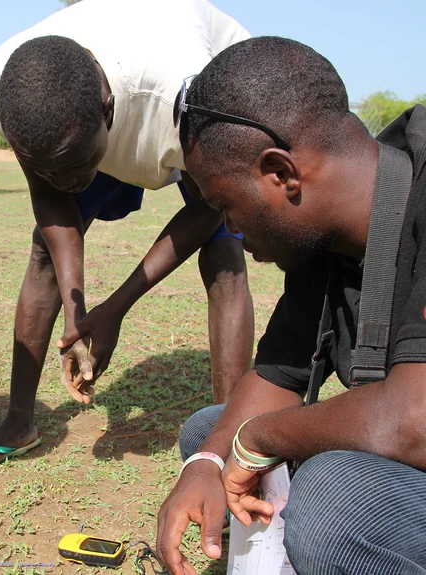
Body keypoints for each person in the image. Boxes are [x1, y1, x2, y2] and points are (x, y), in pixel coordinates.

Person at [0, 0, 255, 474]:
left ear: (107, 110)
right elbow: (52, 198)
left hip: (202, 120)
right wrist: (79, 315)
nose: (64, 182)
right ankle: (18, 423)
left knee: (225, 256)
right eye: (50, 169)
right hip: (108, 128)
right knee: (43, 251)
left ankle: (228, 445)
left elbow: (210, 211)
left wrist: (116, 307)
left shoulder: (190, 92)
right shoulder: (11, 92)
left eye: (73, 167)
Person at [155, 36, 426, 575]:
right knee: (209, 432)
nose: (230, 229)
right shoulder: (332, 233)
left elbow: (416, 419)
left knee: (335, 503)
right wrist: (210, 461)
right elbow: (279, 371)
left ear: (281, 173)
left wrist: (258, 439)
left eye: (227, 206)